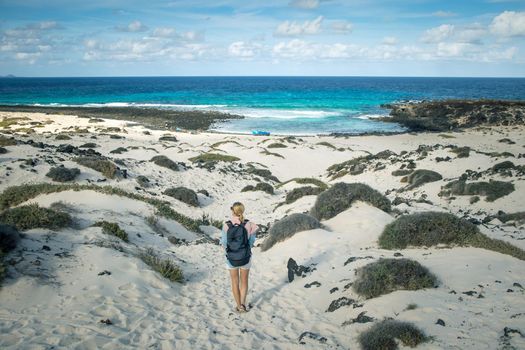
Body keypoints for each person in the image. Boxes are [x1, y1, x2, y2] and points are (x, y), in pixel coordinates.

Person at [220, 202, 258, 313]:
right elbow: (251, 242)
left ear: (232, 210)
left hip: (231, 258)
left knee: (235, 282)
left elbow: (224, 243)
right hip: (245, 256)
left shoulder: (226, 225)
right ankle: (243, 304)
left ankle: (238, 306)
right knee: (244, 282)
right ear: (243, 210)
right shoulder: (249, 224)